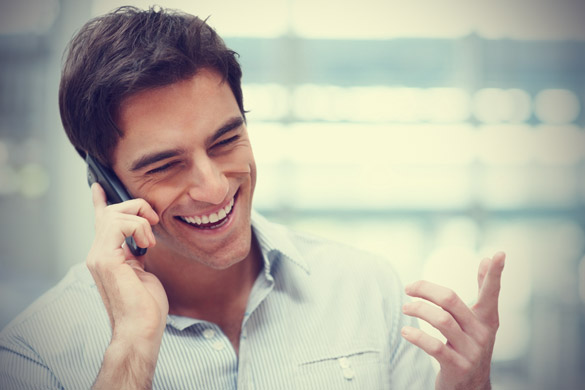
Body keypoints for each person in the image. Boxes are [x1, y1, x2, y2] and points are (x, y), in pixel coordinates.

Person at [0, 6, 505, 389]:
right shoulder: (35, 353)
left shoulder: (363, 288)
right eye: (165, 164)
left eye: (226, 140)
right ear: (106, 184)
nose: (216, 186)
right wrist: (131, 349)